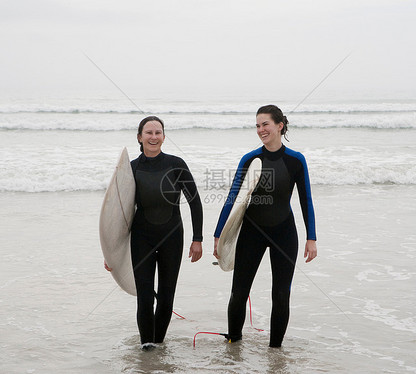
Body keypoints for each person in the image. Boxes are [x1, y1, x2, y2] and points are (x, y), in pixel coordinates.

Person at [213, 104, 317, 348]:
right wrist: (219, 235)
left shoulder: (296, 160)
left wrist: (311, 237)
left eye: (265, 124)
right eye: (257, 125)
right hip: (252, 232)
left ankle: (275, 352)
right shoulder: (250, 159)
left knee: (281, 295)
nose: (260, 129)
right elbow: (233, 198)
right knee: (239, 291)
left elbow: (306, 200)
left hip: (284, 232)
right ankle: (233, 342)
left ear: (280, 125)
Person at [105, 115, 203, 351]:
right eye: (148, 133)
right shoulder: (131, 169)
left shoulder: (176, 164)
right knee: (145, 298)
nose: (153, 137)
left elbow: (195, 202)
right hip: (142, 239)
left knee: (167, 297)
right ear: (139, 137)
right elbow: (118, 214)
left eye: (158, 132)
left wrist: (197, 239)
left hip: (172, 237)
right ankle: (147, 346)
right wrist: (111, 252)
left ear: (164, 137)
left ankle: (158, 344)